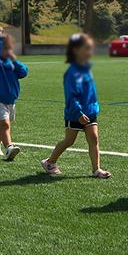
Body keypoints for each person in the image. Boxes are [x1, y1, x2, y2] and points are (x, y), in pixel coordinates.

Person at [41, 33, 110, 178]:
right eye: (86, 49)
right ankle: (49, 162)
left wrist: (94, 106)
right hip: (75, 114)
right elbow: (71, 96)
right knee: (69, 141)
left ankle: (96, 169)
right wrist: (78, 113)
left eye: (90, 49)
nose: (89, 52)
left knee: (94, 138)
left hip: (90, 112)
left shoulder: (86, 69)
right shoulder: (71, 73)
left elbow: (90, 92)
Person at [0, 27, 28, 161]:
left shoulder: (12, 64)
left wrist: (14, 59)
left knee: (1, 125)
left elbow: (24, 72)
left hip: (11, 100)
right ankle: (9, 148)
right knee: (5, 125)